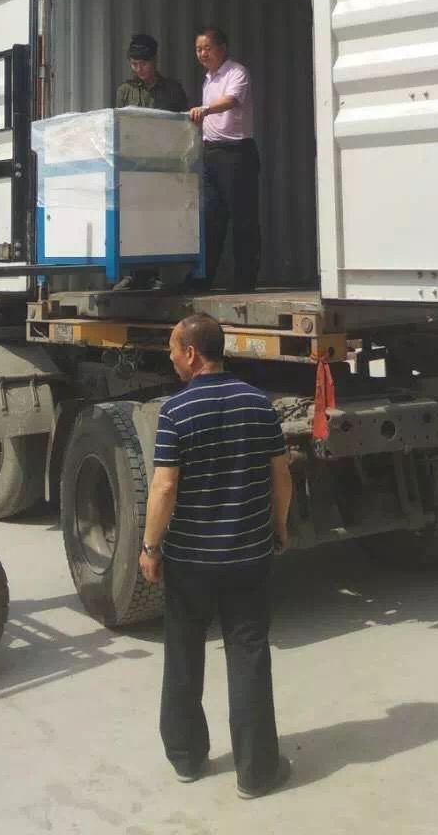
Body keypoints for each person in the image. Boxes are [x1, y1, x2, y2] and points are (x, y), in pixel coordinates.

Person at [140, 314, 293, 799]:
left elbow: (164, 487)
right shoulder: (258, 403)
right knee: (249, 655)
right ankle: (256, 772)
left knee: (184, 654)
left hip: (190, 561)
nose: (170, 357)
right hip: (248, 554)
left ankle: (187, 758)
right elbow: (281, 476)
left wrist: (150, 547)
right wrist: (280, 525)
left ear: (190, 353)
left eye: (172, 349)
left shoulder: (176, 411)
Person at [115, 33, 190, 291]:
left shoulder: (172, 90)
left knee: (159, 218)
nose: (139, 69)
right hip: (133, 165)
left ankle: (154, 273)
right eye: (134, 64)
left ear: (155, 61)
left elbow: (185, 126)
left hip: (164, 165)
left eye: (143, 64)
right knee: (134, 218)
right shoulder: (125, 90)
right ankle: (135, 274)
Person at [189, 27, 260, 291]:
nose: (202, 54)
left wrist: (205, 109)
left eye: (207, 48)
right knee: (211, 218)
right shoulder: (208, 79)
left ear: (222, 48)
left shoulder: (236, 72)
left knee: (243, 218)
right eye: (198, 49)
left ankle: (245, 279)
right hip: (211, 154)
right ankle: (203, 278)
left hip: (236, 153)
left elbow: (231, 101)